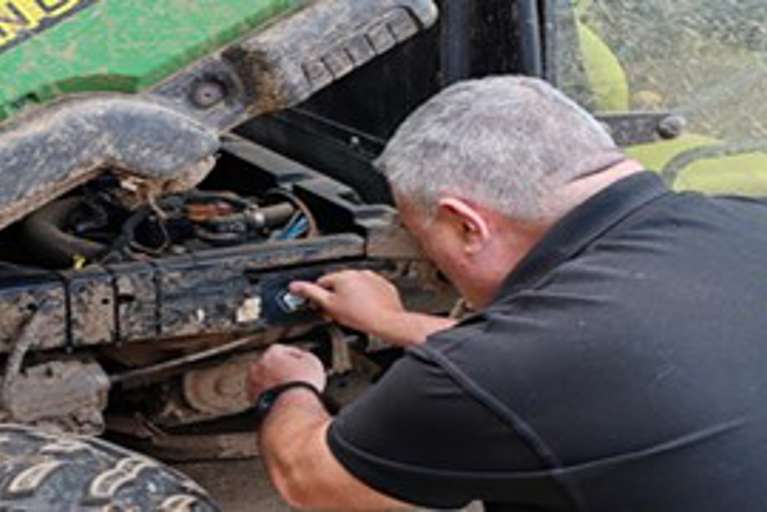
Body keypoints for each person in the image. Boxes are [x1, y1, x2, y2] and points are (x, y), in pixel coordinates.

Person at [246, 76, 767, 511]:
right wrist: (393, 321)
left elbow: (309, 477)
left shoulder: (499, 367)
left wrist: (286, 389)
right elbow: (581, 364)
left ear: (466, 225)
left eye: (424, 241)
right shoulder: (747, 220)